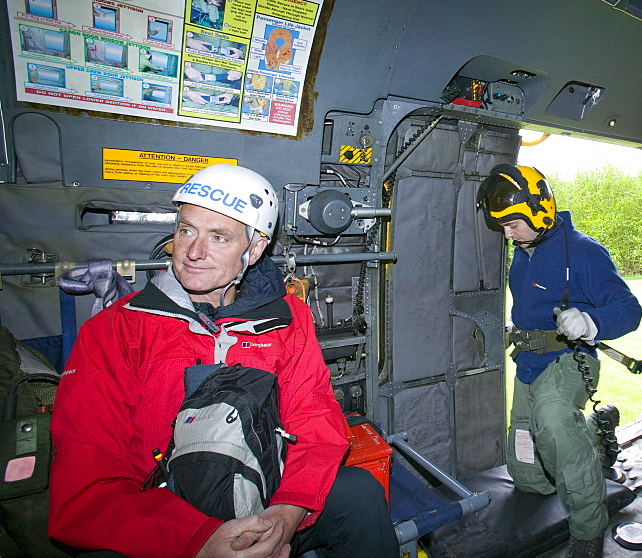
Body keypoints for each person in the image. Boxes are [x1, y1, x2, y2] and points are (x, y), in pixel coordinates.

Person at [49, 164, 398, 557]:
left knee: (358, 494)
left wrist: (286, 516)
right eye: (186, 231)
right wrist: (195, 539)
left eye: (219, 237)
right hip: (162, 515)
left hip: (266, 493)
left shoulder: (286, 319)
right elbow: (86, 474)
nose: (194, 252)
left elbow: (315, 423)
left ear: (254, 249)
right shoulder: (116, 329)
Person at [477, 164, 642, 558]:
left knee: (553, 427)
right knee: (529, 476)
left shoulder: (583, 251)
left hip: (570, 358)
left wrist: (590, 320)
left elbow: (629, 309)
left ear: (540, 210)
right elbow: (533, 305)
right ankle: (595, 428)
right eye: (501, 226)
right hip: (530, 364)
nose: (507, 234)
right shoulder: (525, 252)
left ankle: (589, 528)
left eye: (513, 224)